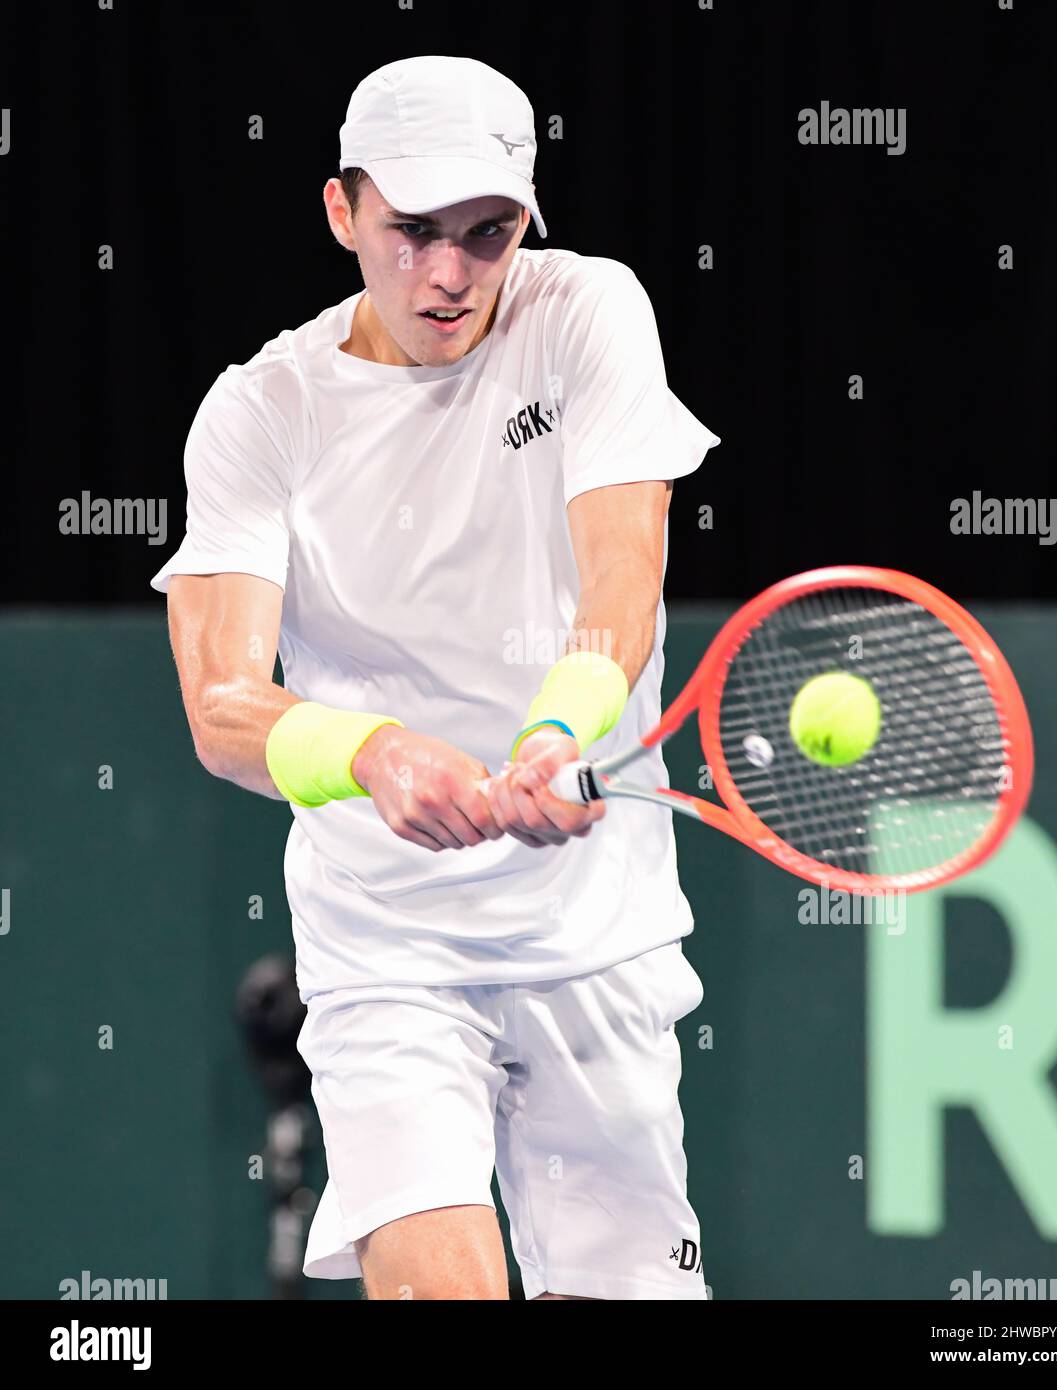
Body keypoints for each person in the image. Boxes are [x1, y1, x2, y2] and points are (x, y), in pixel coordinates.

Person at [153, 54, 720, 1300]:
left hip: (594, 935)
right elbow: (221, 708)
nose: (451, 274)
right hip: (385, 949)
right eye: (412, 230)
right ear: (340, 210)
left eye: (488, 231)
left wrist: (560, 732)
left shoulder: (587, 311)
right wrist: (369, 751)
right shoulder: (259, 414)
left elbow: (620, 577)